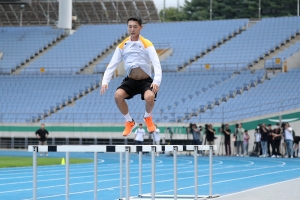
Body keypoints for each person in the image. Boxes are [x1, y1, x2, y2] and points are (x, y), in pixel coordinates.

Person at [100, 16, 162, 137]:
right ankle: (129, 121)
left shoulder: (147, 43)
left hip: (145, 81)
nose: (132, 29)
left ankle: (147, 117)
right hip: (131, 80)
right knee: (118, 96)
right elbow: (112, 65)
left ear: (140, 27)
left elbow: (157, 64)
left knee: (150, 97)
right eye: (130, 27)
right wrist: (105, 81)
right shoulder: (123, 45)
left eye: (135, 27)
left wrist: (156, 81)